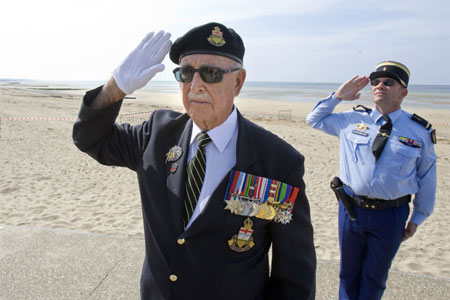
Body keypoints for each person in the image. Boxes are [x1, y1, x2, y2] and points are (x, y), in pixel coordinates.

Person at [73, 22, 316, 299]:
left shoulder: (278, 162)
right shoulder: (157, 133)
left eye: (211, 73)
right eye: (186, 73)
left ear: (238, 82)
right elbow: (90, 139)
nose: (195, 85)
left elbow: (295, 275)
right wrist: (116, 88)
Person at [306, 61, 437, 300]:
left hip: (391, 214)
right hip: (351, 209)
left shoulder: (419, 131)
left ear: (403, 92)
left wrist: (418, 217)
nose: (380, 86)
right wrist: (337, 97)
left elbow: (427, 176)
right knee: (347, 274)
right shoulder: (350, 120)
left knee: (374, 278)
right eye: (375, 82)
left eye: (389, 83)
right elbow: (314, 119)